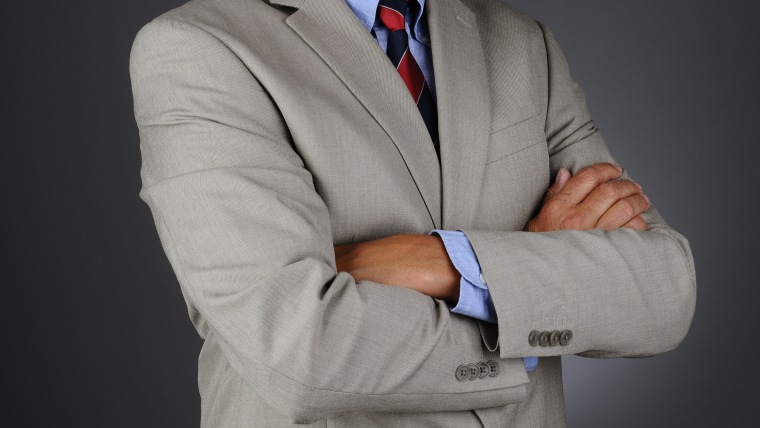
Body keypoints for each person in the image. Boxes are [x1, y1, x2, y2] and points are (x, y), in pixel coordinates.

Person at [129, 0, 696, 426]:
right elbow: (296, 345)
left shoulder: (523, 43)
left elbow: (662, 291)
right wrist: (527, 298)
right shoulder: (199, 47)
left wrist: (445, 263)